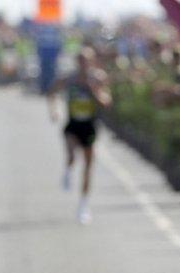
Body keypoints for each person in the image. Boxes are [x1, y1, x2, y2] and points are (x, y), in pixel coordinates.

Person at [48, 47, 111, 224]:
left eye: (87, 60)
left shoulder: (98, 79)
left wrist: (93, 90)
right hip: (73, 124)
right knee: (71, 154)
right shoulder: (69, 79)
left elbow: (106, 102)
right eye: (81, 60)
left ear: (91, 61)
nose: (84, 64)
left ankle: (83, 205)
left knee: (88, 165)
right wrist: (53, 111)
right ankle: (68, 169)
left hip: (89, 125)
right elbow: (51, 92)